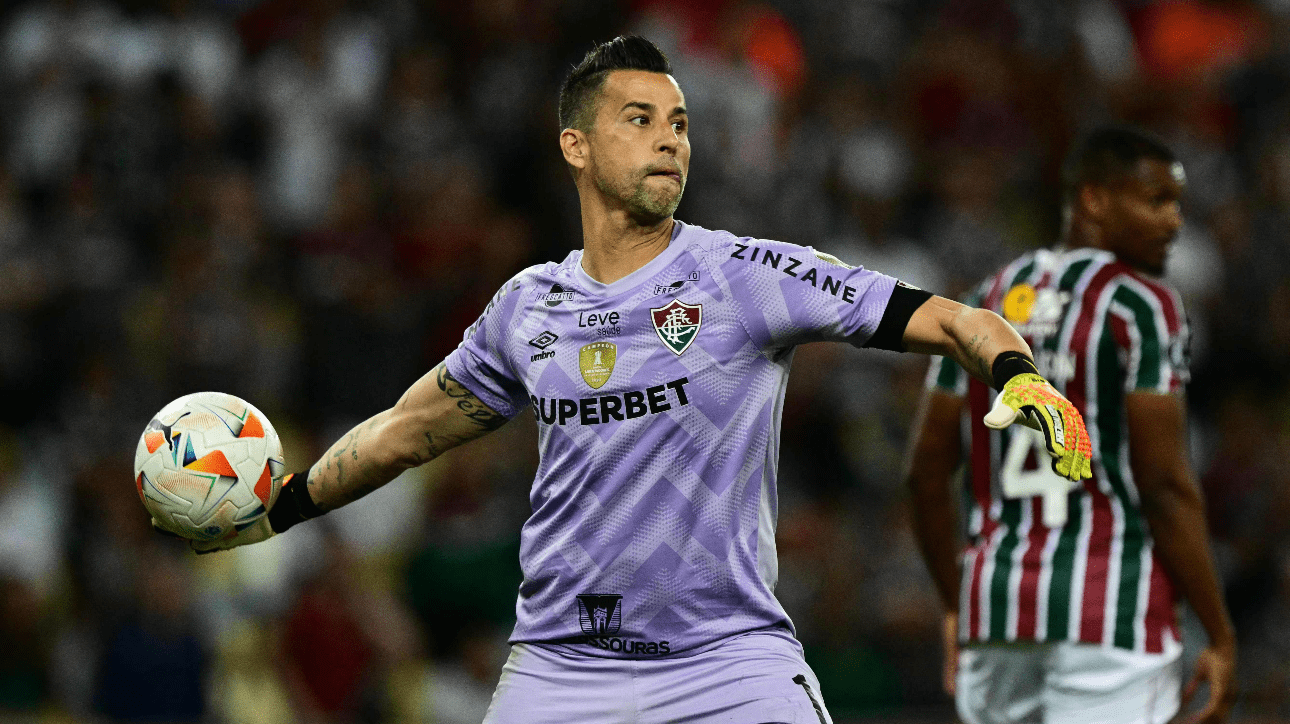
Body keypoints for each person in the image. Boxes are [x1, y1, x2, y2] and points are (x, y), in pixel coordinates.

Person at [171, 36, 1091, 723]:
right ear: (576, 146)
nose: (670, 143)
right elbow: (405, 431)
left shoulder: (744, 276)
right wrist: (282, 506)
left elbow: (950, 317)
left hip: (728, 668)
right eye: (640, 120)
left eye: (681, 125)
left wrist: (1019, 374)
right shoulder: (528, 307)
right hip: (561, 673)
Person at [905, 128, 1237, 724]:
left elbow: (927, 472)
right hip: (1110, 610)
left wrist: (958, 604)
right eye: (1156, 200)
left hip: (997, 609)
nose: (1173, 221)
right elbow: (1163, 483)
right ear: (1095, 200)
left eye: (1176, 204)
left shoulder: (982, 301)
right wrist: (1219, 631)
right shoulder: (1142, 305)